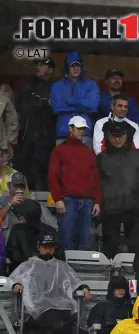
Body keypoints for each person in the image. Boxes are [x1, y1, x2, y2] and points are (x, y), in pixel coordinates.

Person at [9, 234, 90, 334]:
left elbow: (74, 280)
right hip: (38, 301)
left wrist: (84, 288)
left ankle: (59, 333)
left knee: (64, 308)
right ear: (39, 247)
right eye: (45, 247)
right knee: (50, 310)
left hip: (60, 300)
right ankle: (58, 333)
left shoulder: (61, 265)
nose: (48, 250)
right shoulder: (29, 264)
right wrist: (16, 285)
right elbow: (14, 277)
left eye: (51, 247)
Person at [96, 119, 139, 257]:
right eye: (113, 136)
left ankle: (135, 274)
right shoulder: (101, 158)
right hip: (110, 209)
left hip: (133, 207)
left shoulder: (138, 155)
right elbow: (93, 181)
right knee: (110, 246)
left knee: (135, 244)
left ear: (126, 136)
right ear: (108, 137)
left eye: (120, 136)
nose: (117, 139)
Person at [47, 115, 101, 250]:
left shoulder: (89, 152)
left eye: (83, 129)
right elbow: (53, 177)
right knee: (66, 239)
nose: (82, 131)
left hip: (87, 201)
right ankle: (65, 271)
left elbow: (95, 179)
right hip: (68, 200)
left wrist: (97, 201)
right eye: (79, 128)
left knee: (84, 241)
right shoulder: (59, 150)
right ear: (70, 129)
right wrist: (58, 199)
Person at [14, 57, 56, 190]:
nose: (38, 67)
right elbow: (22, 106)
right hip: (28, 136)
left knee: (44, 170)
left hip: (47, 137)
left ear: (50, 70)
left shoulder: (57, 87)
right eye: (37, 64)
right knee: (26, 168)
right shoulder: (28, 84)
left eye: (42, 65)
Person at [49, 52, 99, 144]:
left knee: (84, 159)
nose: (76, 68)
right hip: (63, 132)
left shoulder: (91, 84)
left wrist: (71, 101)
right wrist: (82, 106)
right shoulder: (57, 86)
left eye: (78, 65)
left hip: (84, 133)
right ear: (67, 68)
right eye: (72, 66)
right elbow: (57, 108)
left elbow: (93, 106)